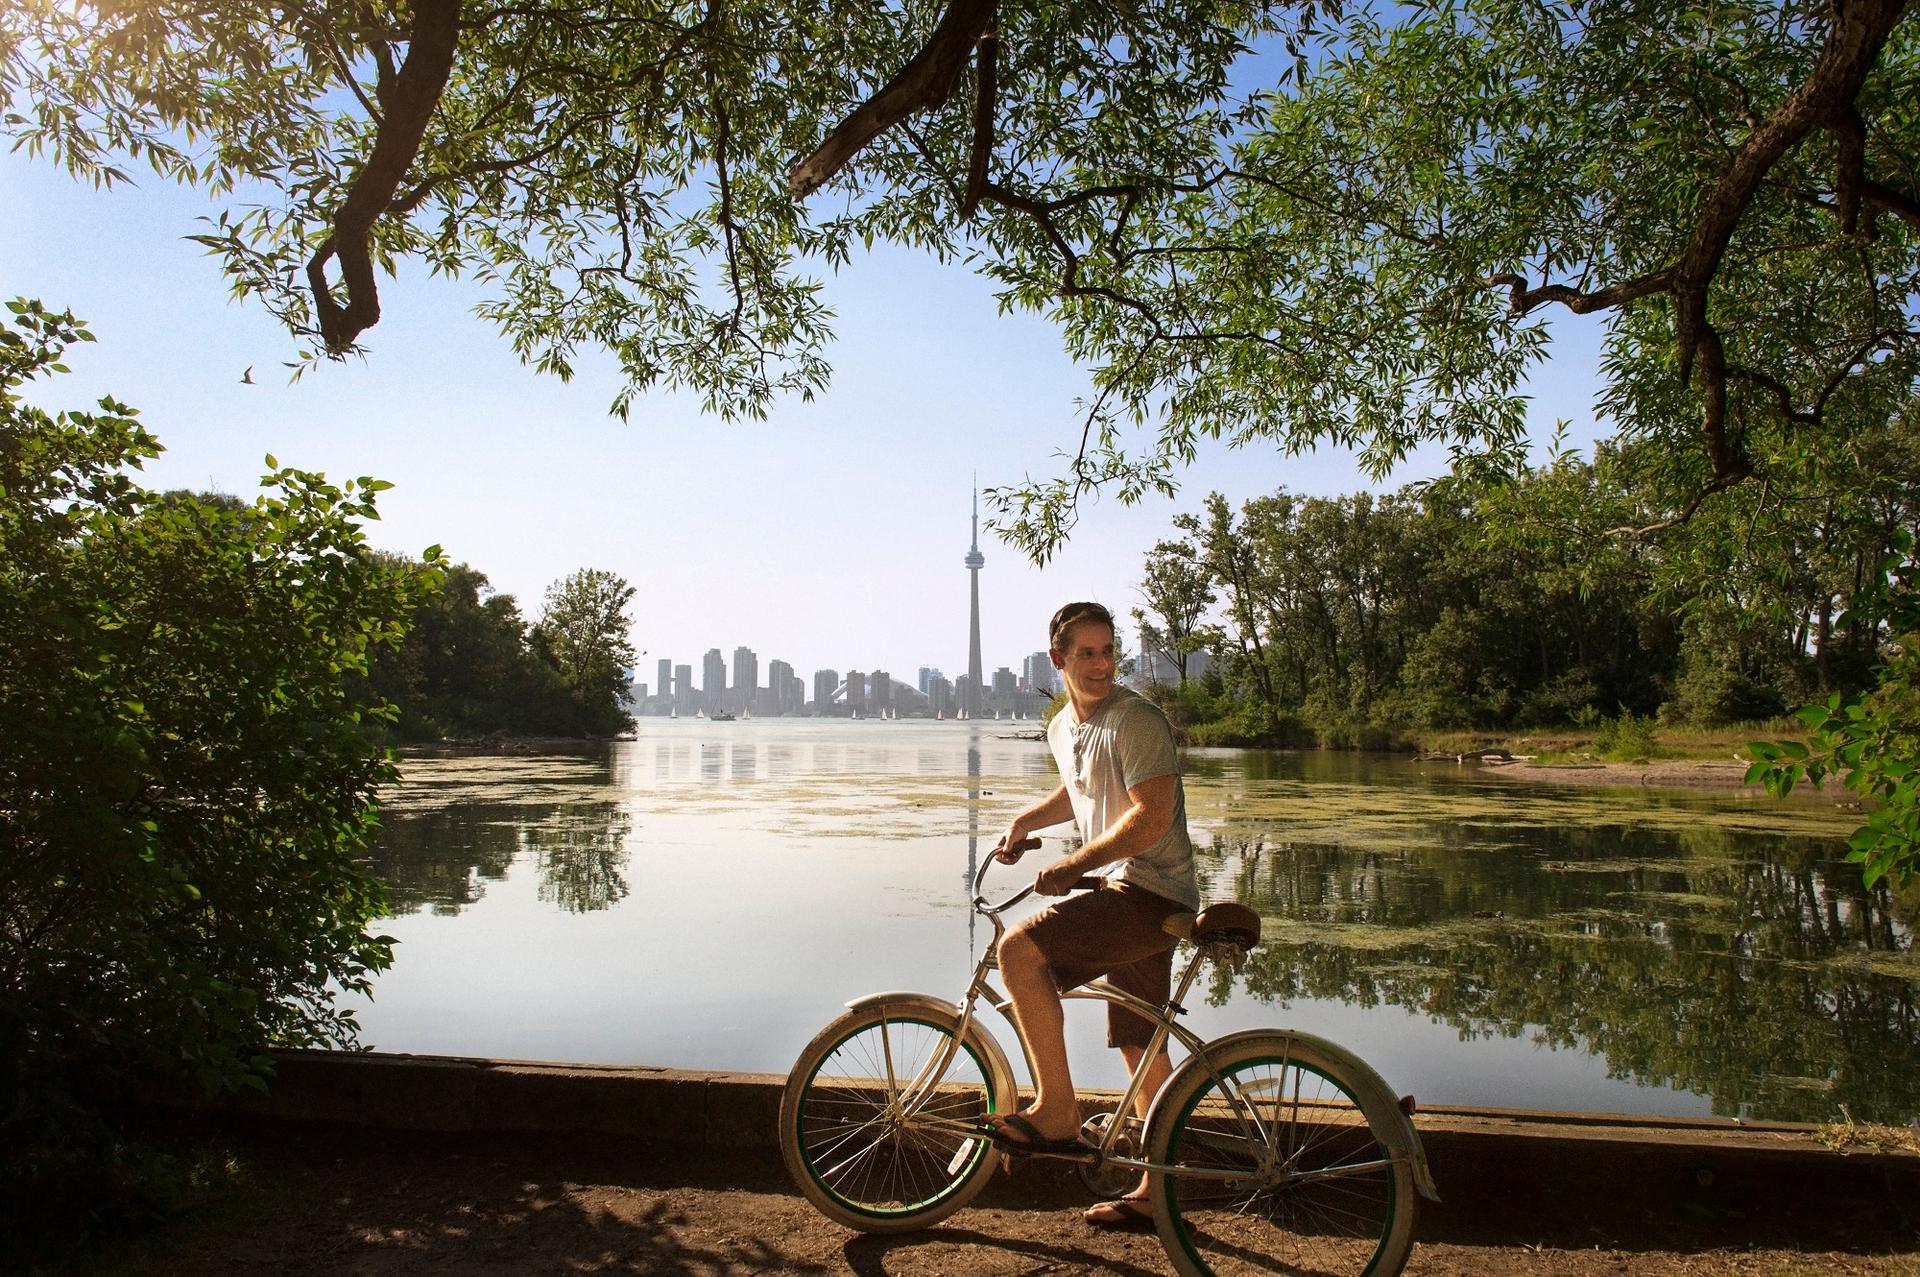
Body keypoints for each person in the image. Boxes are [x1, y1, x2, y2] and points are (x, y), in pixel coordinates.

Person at [988, 600, 1201, 1229]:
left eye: (1108, 651)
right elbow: (1080, 788)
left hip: (1147, 891)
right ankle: (1153, 1191)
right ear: (1058, 658)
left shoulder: (1136, 721)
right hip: (1125, 890)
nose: (1101, 664)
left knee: (1018, 953)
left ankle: (1057, 1110)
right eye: (1087, 652)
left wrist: (1076, 865)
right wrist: (1027, 821)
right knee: (1139, 1040)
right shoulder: (1062, 725)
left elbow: (1151, 816)